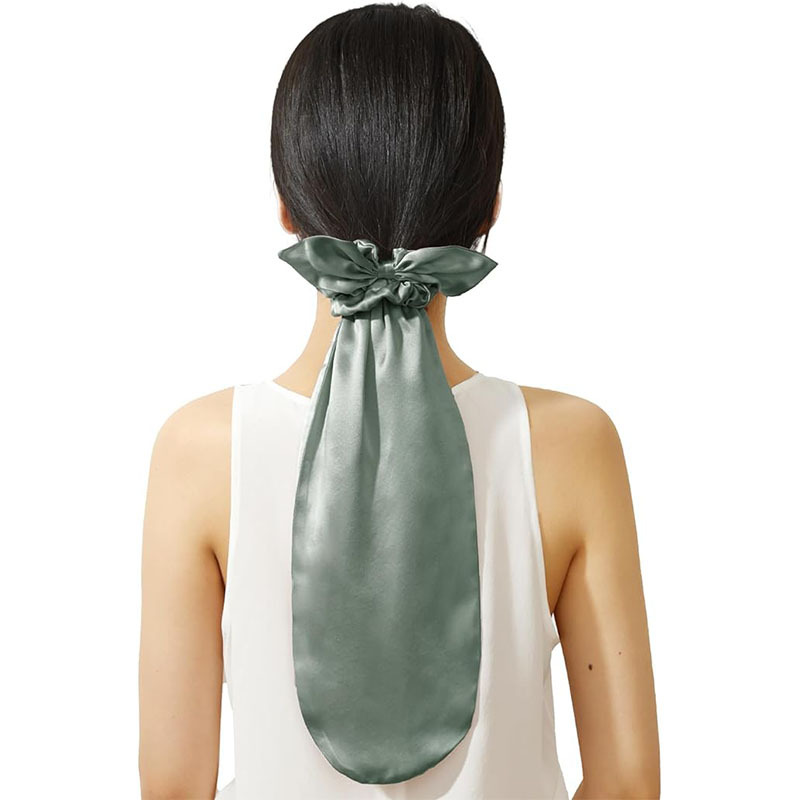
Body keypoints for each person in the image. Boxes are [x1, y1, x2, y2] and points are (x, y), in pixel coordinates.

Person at [138, 4, 660, 799]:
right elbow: (627, 782)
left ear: (288, 209)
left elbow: (174, 786)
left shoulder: (201, 450)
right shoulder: (572, 444)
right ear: (487, 210)